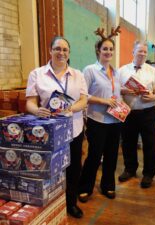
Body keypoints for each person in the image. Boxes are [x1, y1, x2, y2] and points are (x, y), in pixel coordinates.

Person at [26, 36, 88, 218]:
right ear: (50, 51)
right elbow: (30, 102)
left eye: (65, 50)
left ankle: (71, 203)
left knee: (74, 168)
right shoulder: (37, 74)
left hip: (74, 129)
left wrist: (71, 108)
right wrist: (37, 111)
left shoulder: (78, 75)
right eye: (57, 49)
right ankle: (52, 204)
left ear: (69, 54)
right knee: (52, 169)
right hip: (48, 131)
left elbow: (84, 100)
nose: (61, 53)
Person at [78, 27, 122, 202]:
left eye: (111, 49)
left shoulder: (116, 72)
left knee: (112, 156)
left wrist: (122, 102)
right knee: (94, 156)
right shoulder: (90, 70)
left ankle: (108, 186)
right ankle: (85, 187)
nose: (108, 52)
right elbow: (83, 95)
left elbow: (116, 93)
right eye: (105, 49)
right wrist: (104, 102)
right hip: (97, 120)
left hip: (115, 120)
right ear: (98, 50)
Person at [118, 41, 155, 188]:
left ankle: (149, 173)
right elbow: (115, 89)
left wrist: (154, 97)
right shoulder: (122, 70)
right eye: (140, 51)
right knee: (128, 142)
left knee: (149, 143)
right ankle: (130, 169)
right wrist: (123, 91)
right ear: (133, 52)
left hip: (147, 112)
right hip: (128, 112)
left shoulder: (153, 71)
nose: (143, 54)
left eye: (145, 52)